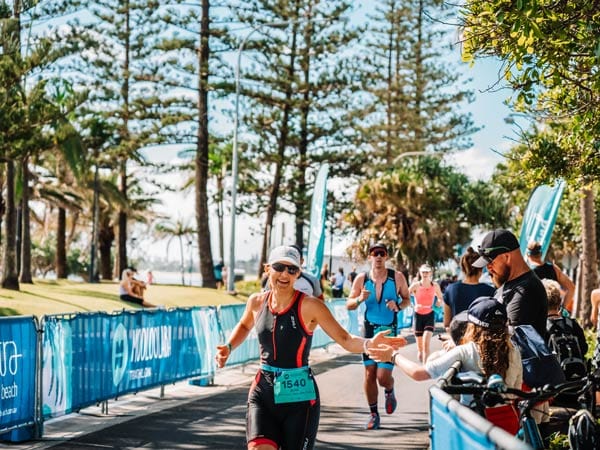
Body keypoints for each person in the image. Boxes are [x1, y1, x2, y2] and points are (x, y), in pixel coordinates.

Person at [215, 245, 407, 450]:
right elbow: (245, 325)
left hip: (299, 399)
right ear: (267, 269)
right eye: (279, 267)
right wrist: (229, 346)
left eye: (292, 270)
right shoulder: (256, 302)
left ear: (298, 274)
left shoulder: (310, 305)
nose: (285, 274)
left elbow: (345, 339)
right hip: (263, 392)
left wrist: (369, 344)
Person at [369, 296, 522, 402]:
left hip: (476, 424)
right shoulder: (514, 351)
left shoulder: (466, 351)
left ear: (473, 328)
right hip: (508, 422)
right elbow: (516, 391)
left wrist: (393, 355)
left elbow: (419, 373)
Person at [345, 242, 410, 430]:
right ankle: (374, 414)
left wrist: (398, 306)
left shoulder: (397, 277)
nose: (378, 257)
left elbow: (406, 299)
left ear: (387, 256)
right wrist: (359, 299)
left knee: (382, 377)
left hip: (389, 329)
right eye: (375, 253)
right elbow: (349, 304)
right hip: (369, 330)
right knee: (369, 373)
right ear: (370, 257)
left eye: (382, 253)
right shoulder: (361, 279)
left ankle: (389, 389)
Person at [472, 229, 548, 338]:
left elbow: (506, 340)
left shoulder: (526, 290)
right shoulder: (509, 284)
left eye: (490, 263)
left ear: (507, 257)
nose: (488, 268)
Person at [443, 247, 495, 329]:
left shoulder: (450, 290)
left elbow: (447, 324)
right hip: (482, 340)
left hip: (457, 339)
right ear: (480, 269)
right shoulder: (490, 292)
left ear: (463, 269)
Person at [527, 241, 575, 314]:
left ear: (528, 255)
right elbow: (571, 288)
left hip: (536, 316)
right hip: (553, 314)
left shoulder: (527, 272)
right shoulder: (553, 268)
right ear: (541, 254)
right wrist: (562, 308)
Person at [409, 264, 443, 363]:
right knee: (420, 349)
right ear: (420, 273)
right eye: (423, 272)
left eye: (427, 272)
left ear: (430, 273)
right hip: (418, 316)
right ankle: (422, 358)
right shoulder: (416, 285)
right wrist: (413, 305)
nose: (425, 274)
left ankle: (425, 368)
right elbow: (405, 295)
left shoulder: (435, 285)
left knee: (425, 343)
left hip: (429, 315)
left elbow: (440, 297)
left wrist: (439, 302)